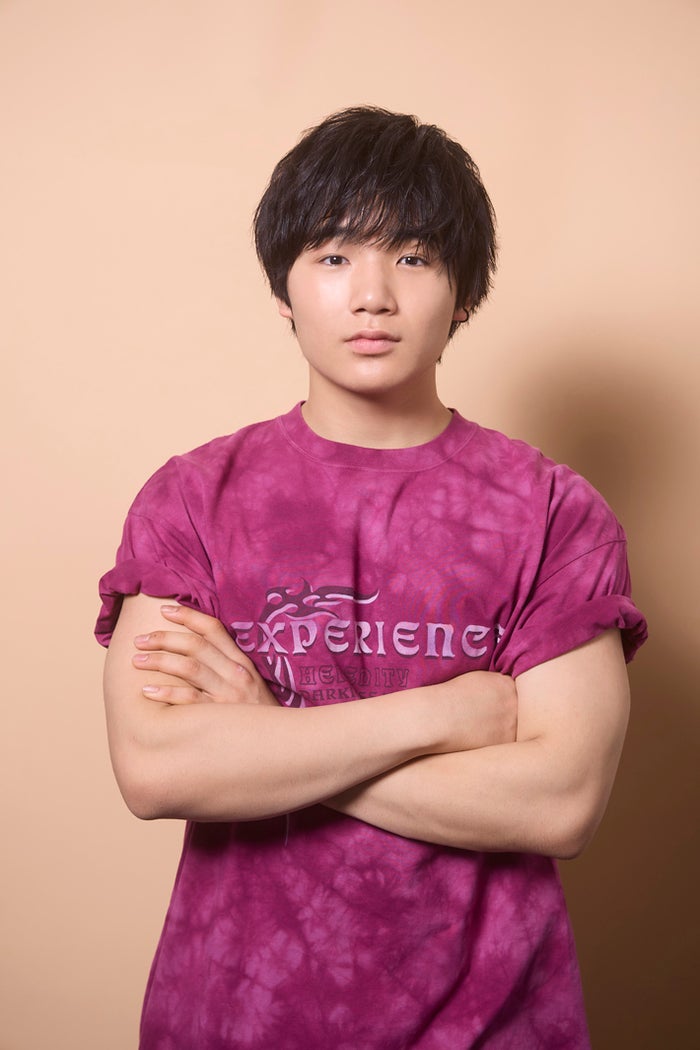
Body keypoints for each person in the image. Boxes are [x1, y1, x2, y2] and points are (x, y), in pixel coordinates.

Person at [96, 106, 647, 1049]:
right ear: (284, 288)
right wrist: (445, 714)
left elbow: (558, 803)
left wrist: (268, 735)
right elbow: (157, 769)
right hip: (236, 1015)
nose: (373, 296)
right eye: (335, 256)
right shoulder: (193, 498)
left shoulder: (554, 510)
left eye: (415, 257)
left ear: (463, 292)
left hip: (493, 1020)